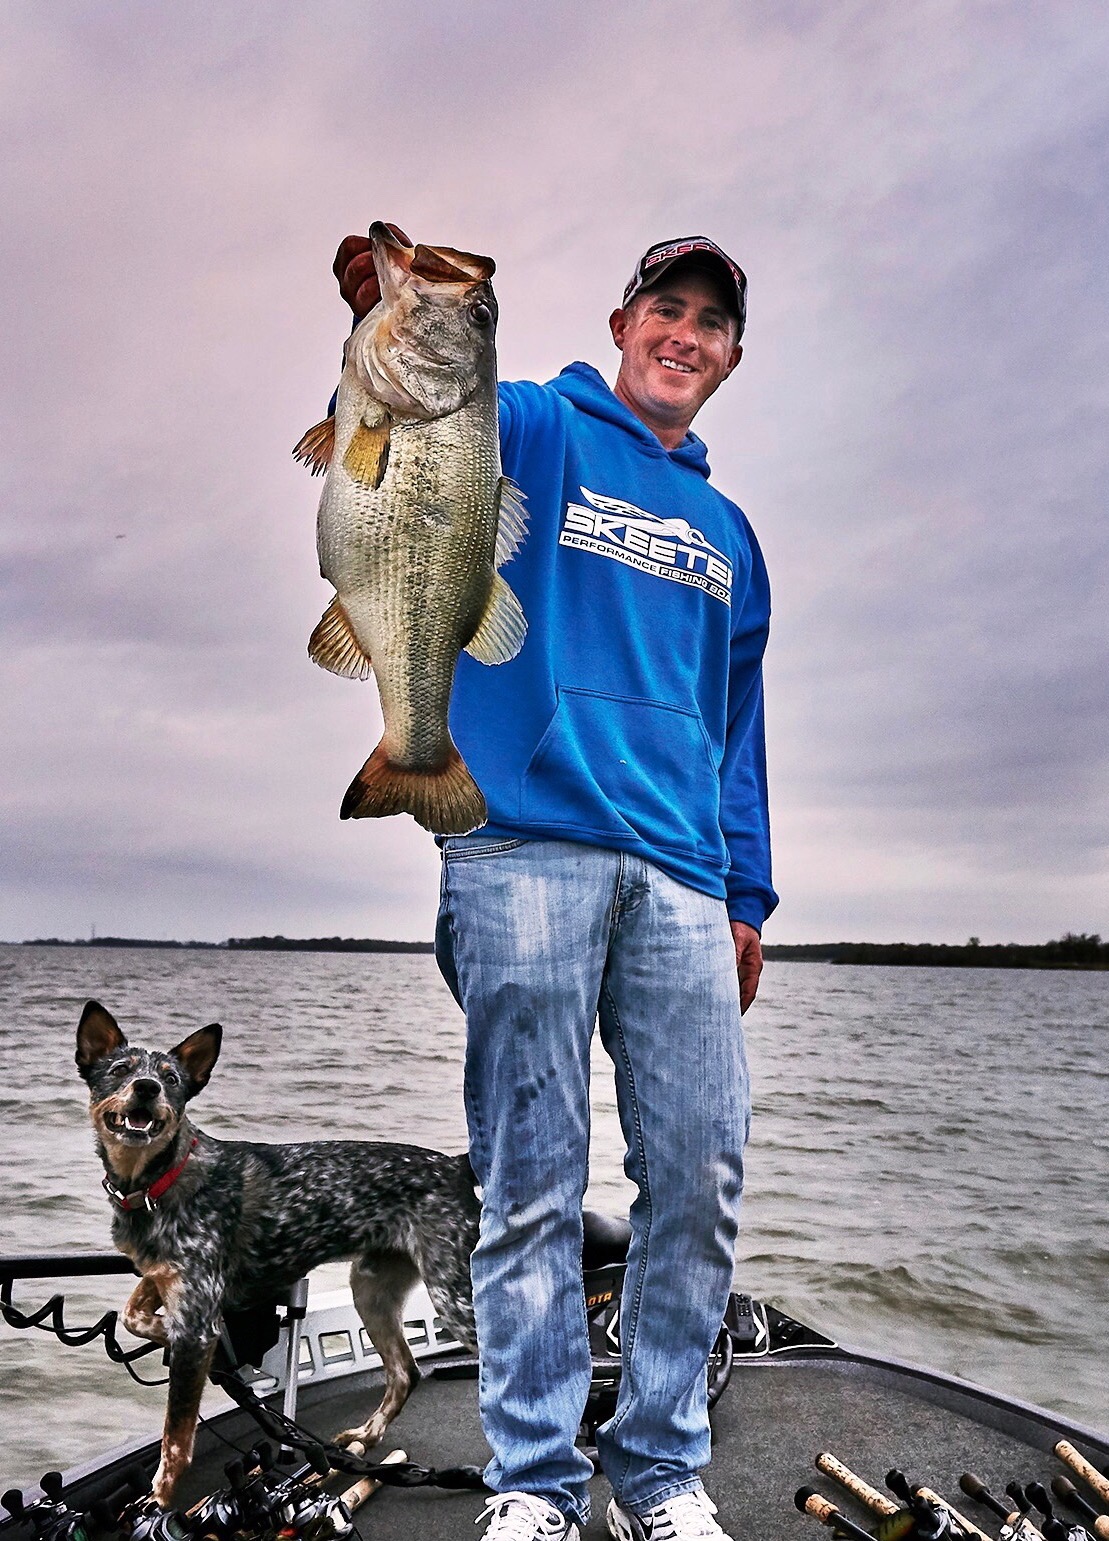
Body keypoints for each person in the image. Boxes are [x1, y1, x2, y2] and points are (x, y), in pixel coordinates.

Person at [332, 229, 777, 1541]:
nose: (683, 332)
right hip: (519, 842)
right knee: (530, 1182)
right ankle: (530, 1485)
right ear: (623, 321)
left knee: (695, 1178)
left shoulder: (731, 532)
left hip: (686, 879)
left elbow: (737, 727)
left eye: (709, 321)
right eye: (664, 307)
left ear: (730, 358)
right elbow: (413, 418)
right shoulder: (530, 421)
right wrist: (377, 322)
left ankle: (655, 1470)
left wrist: (749, 892)